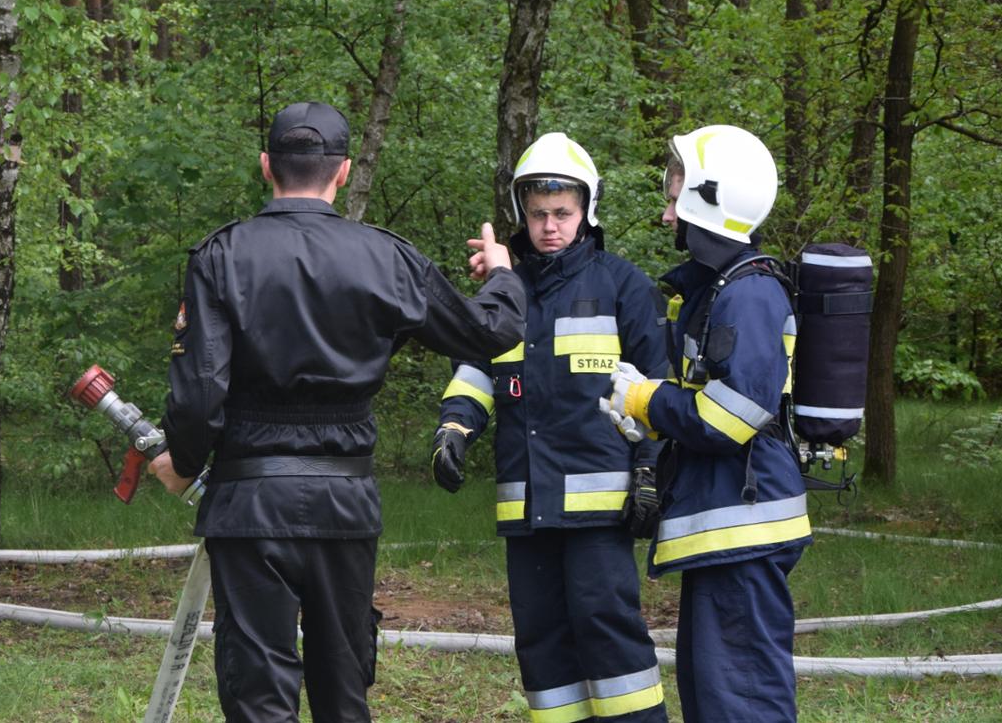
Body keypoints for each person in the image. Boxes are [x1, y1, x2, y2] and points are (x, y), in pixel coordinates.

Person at [153, 101, 527, 722]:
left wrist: (185, 462)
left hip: (250, 503)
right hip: (344, 501)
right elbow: (492, 333)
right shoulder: (386, 258)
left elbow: (199, 389)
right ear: (345, 171)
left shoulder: (221, 255)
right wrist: (503, 273)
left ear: (266, 166)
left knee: (259, 697)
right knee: (343, 689)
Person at [431, 132, 668, 723]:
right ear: (522, 214)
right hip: (526, 506)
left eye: (562, 213)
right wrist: (455, 428)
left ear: (588, 209)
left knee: (610, 635)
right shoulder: (505, 293)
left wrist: (650, 471)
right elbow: (476, 370)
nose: (550, 227)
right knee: (540, 644)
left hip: (601, 506)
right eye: (538, 215)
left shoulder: (623, 285)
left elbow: (660, 389)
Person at [602, 124, 809, 722]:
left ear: (708, 200)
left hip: (741, 531)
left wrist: (648, 400)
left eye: (674, 198)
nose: (667, 216)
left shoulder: (748, 294)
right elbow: (713, 400)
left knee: (740, 702)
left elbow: (731, 418)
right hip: (723, 531)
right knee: (714, 698)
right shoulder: (723, 289)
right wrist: (652, 420)